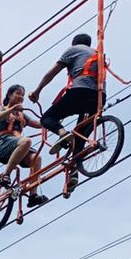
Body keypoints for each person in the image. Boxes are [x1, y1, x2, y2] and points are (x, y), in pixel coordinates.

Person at [30, 34, 105, 194]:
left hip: (80, 92)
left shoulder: (73, 50)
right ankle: (74, 172)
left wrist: (37, 91)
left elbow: (51, 73)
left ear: (74, 43)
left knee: (47, 118)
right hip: (98, 96)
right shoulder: (98, 54)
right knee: (80, 136)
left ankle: (62, 133)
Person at [0, 84, 49, 206]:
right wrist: (11, 109)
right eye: (18, 94)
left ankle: (33, 195)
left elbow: (39, 124)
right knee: (26, 141)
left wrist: (52, 120)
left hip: (17, 145)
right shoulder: (2, 109)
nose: (21, 97)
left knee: (36, 158)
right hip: (3, 143)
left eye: (22, 95)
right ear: (9, 95)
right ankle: (5, 175)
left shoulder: (22, 115)